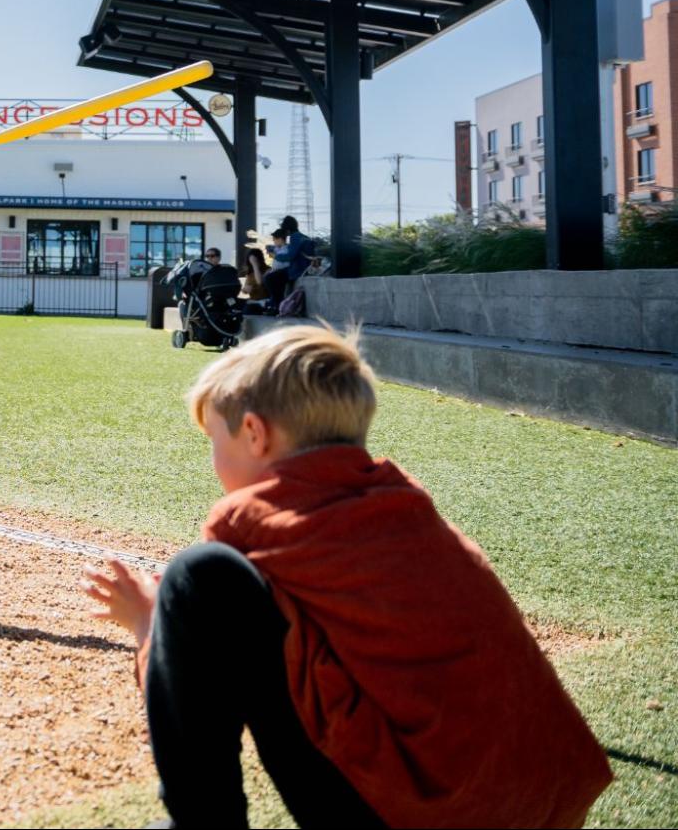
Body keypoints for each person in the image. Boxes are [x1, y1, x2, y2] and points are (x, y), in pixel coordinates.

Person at [83, 325, 610, 829]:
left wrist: (150, 626)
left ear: (253, 433)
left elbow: (207, 664)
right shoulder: (404, 508)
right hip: (544, 810)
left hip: (426, 813)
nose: (214, 460)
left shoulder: (256, 520)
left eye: (214, 439)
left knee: (200, 576)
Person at [262, 215, 314, 309]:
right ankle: (276, 304)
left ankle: (278, 305)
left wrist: (275, 256)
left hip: (297, 270)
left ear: (287, 229)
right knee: (275, 279)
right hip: (303, 267)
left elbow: (290, 256)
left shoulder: (295, 237)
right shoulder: (303, 237)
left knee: (269, 279)